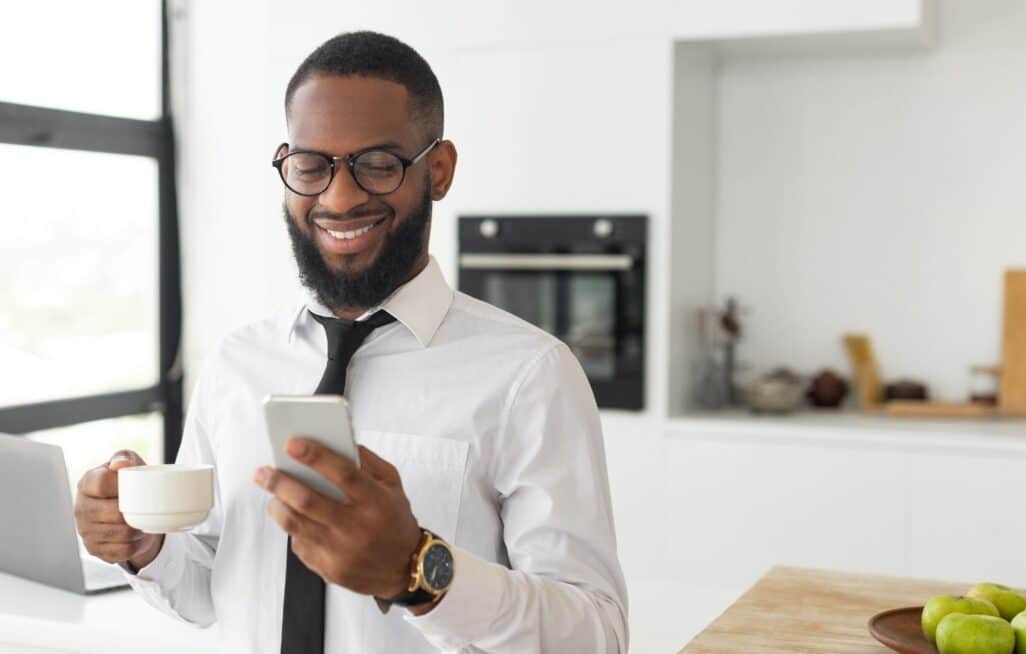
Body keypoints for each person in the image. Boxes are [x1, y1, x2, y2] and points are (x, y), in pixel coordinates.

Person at [73, 31, 628, 654]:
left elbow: (597, 636)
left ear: (438, 171)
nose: (339, 198)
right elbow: (208, 586)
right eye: (312, 166)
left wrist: (417, 570)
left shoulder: (531, 375)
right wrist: (146, 547)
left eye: (379, 164)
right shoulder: (237, 363)